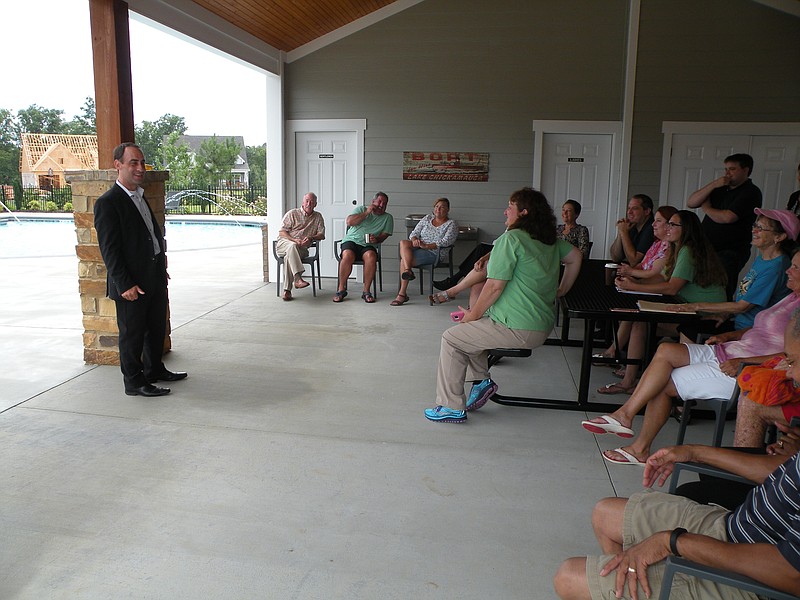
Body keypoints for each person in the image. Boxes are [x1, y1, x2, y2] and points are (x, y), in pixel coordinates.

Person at [581, 249, 800, 466]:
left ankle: (638, 445)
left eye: (796, 267)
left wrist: (744, 362)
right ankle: (624, 415)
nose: (788, 270)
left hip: (749, 369)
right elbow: (763, 328)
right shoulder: (791, 297)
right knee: (667, 350)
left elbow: (792, 356)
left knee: (664, 382)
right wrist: (730, 335)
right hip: (734, 350)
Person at [553, 438, 800, 599]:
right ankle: (628, 582)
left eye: (793, 362)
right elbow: (776, 471)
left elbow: (791, 574)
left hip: (754, 577)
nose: (786, 371)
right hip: (733, 526)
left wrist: (672, 542)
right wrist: (693, 451)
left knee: (568, 578)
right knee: (604, 513)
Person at [424, 188, 582, 423]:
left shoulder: (512, 239)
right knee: (471, 330)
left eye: (510, 206)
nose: (505, 210)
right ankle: (481, 381)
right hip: (540, 324)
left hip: (518, 327)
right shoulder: (548, 240)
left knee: (451, 339)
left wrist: (472, 314)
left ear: (524, 213)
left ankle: (450, 406)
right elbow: (576, 256)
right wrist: (561, 290)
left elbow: (494, 287)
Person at [597, 210, 727, 395]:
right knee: (639, 322)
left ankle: (630, 380)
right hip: (689, 309)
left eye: (673, 224)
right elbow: (660, 279)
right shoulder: (677, 249)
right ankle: (631, 376)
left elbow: (671, 287)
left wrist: (635, 285)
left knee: (641, 324)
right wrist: (632, 284)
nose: (668, 227)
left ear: (686, 229)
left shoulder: (688, 250)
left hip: (706, 315)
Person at [93, 142, 187, 397]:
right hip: (131, 284)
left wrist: (160, 267)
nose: (139, 168)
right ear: (118, 165)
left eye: (141, 162)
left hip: (153, 277)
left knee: (155, 328)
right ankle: (134, 382)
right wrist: (124, 284)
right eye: (133, 162)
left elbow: (149, 237)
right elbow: (110, 250)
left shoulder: (140, 195)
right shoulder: (109, 203)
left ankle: (154, 369)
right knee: (132, 335)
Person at [670, 208, 798, 340]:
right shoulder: (763, 259)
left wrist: (695, 305)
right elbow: (745, 298)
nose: (754, 230)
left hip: (752, 331)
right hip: (738, 321)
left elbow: (743, 306)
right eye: (755, 226)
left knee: (689, 330)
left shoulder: (775, 267)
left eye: (761, 228)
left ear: (779, 237)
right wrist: (725, 314)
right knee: (688, 326)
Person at [593, 206, 677, 367]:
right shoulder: (657, 243)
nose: (654, 224)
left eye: (658, 221)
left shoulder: (669, 247)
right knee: (626, 311)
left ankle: (620, 355)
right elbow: (624, 258)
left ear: (670, 226)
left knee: (633, 315)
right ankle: (614, 350)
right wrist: (628, 273)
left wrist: (632, 275)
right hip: (644, 286)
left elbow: (657, 274)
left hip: (660, 295)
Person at [688, 153, 762, 299]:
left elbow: (728, 217)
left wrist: (707, 208)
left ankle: (721, 318)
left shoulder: (751, 192)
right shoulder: (720, 188)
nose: (727, 173)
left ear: (746, 170)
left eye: (732, 169)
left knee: (721, 289)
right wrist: (714, 184)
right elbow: (691, 202)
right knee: (702, 287)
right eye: (726, 169)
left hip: (730, 251)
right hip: (707, 248)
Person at [391, 197, 458, 306]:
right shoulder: (427, 218)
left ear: (448, 210)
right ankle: (408, 270)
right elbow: (414, 233)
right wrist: (415, 240)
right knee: (403, 243)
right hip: (418, 247)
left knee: (404, 260)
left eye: (442, 207)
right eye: (437, 206)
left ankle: (402, 294)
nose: (438, 209)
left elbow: (446, 242)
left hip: (434, 253)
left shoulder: (451, 224)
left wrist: (426, 246)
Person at [333, 191, 393, 303]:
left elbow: (384, 236)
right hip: (351, 241)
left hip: (368, 245)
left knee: (371, 256)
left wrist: (377, 239)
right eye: (379, 202)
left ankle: (366, 292)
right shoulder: (361, 209)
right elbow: (349, 222)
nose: (381, 205)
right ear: (373, 202)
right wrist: (367, 212)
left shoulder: (387, 218)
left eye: (384, 204)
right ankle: (341, 289)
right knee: (347, 255)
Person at [275, 192, 325, 301]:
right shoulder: (292, 213)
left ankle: (287, 291)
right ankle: (297, 279)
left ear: (315, 204)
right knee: (292, 246)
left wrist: (311, 238)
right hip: (284, 243)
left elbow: (322, 235)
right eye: (307, 201)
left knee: (290, 254)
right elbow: (282, 232)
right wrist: (294, 240)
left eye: (312, 202)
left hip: (301, 249)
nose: (309, 203)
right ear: (302, 202)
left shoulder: (318, 216)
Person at [609, 194, 655, 266]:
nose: (629, 212)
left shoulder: (652, 228)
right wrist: (621, 233)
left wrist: (624, 232)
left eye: (635, 208)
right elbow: (615, 257)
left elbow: (634, 261)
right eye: (629, 208)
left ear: (647, 211)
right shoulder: (634, 226)